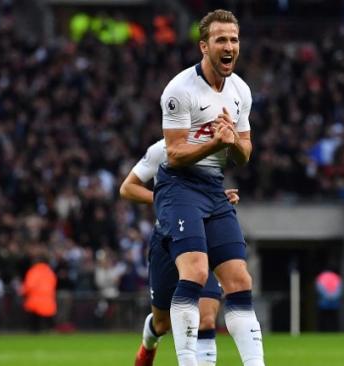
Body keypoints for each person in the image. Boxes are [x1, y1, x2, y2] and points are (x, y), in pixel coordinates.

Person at [154, 9, 264, 366]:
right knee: (197, 272)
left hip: (214, 186)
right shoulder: (179, 90)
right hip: (180, 186)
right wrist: (215, 145)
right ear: (204, 45)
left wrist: (231, 142)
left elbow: (245, 154)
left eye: (233, 39)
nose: (229, 46)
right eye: (221, 39)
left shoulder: (240, 91)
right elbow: (173, 154)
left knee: (239, 278)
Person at [119, 138, 239, 366]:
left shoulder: (215, 148)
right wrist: (170, 202)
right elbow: (127, 188)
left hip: (202, 237)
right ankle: (149, 338)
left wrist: (218, 201)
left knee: (206, 318)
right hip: (167, 238)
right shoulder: (162, 149)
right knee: (163, 323)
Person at [21, 246, 57, 332]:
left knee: (34, 322)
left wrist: (22, 292)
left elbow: (29, 285)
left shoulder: (33, 271)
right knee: (48, 319)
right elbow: (54, 283)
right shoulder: (49, 271)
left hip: (35, 299)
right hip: (48, 299)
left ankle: (35, 332)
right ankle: (50, 331)